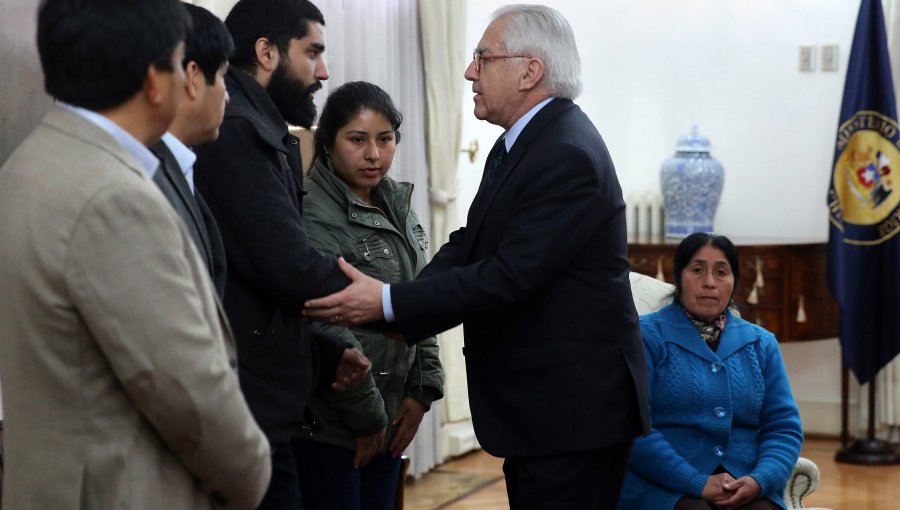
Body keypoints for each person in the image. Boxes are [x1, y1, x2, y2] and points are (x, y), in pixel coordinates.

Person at [304, 5, 650, 508]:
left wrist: (391, 303)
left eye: (482, 59)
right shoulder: (523, 143)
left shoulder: (563, 153)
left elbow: (509, 275)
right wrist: (400, 307)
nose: (469, 71)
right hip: (547, 409)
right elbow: (471, 243)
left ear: (529, 71)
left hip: (568, 412)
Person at [0, 1, 271, 509]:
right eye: (176, 61)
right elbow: (187, 394)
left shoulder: (29, 164)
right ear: (155, 80)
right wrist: (253, 474)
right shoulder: (112, 198)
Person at [192, 1, 371, 508]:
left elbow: (251, 284)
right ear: (266, 52)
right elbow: (286, 267)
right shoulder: (239, 132)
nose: (324, 71)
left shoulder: (262, 128)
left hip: (265, 399)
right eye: (312, 52)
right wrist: (389, 305)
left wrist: (320, 350)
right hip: (248, 408)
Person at [295, 81, 444, 509]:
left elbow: (421, 297)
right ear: (328, 142)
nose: (374, 155)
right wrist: (368, 420)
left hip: (392, 416)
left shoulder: (396, 201)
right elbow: (327, 322)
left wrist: (422, 391)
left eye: (385, 139)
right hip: (334, 426)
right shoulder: (311, 211)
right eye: (357, 140)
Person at [616, 233, 802, 510]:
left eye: (721, 272)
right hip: (663, 483)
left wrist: (759, 480)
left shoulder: (761, 343)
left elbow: (784, 427)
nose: (709, 283)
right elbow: (634, 427)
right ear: (678, 278)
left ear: (734, 282)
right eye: (698, 270)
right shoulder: (645, 337)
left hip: (744, 482)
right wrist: (696, 482)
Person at [152, 3, 232, 299]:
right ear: (193, 77)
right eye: (223, 76)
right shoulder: (144, 175)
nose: (227, 95)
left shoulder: (171, 163)